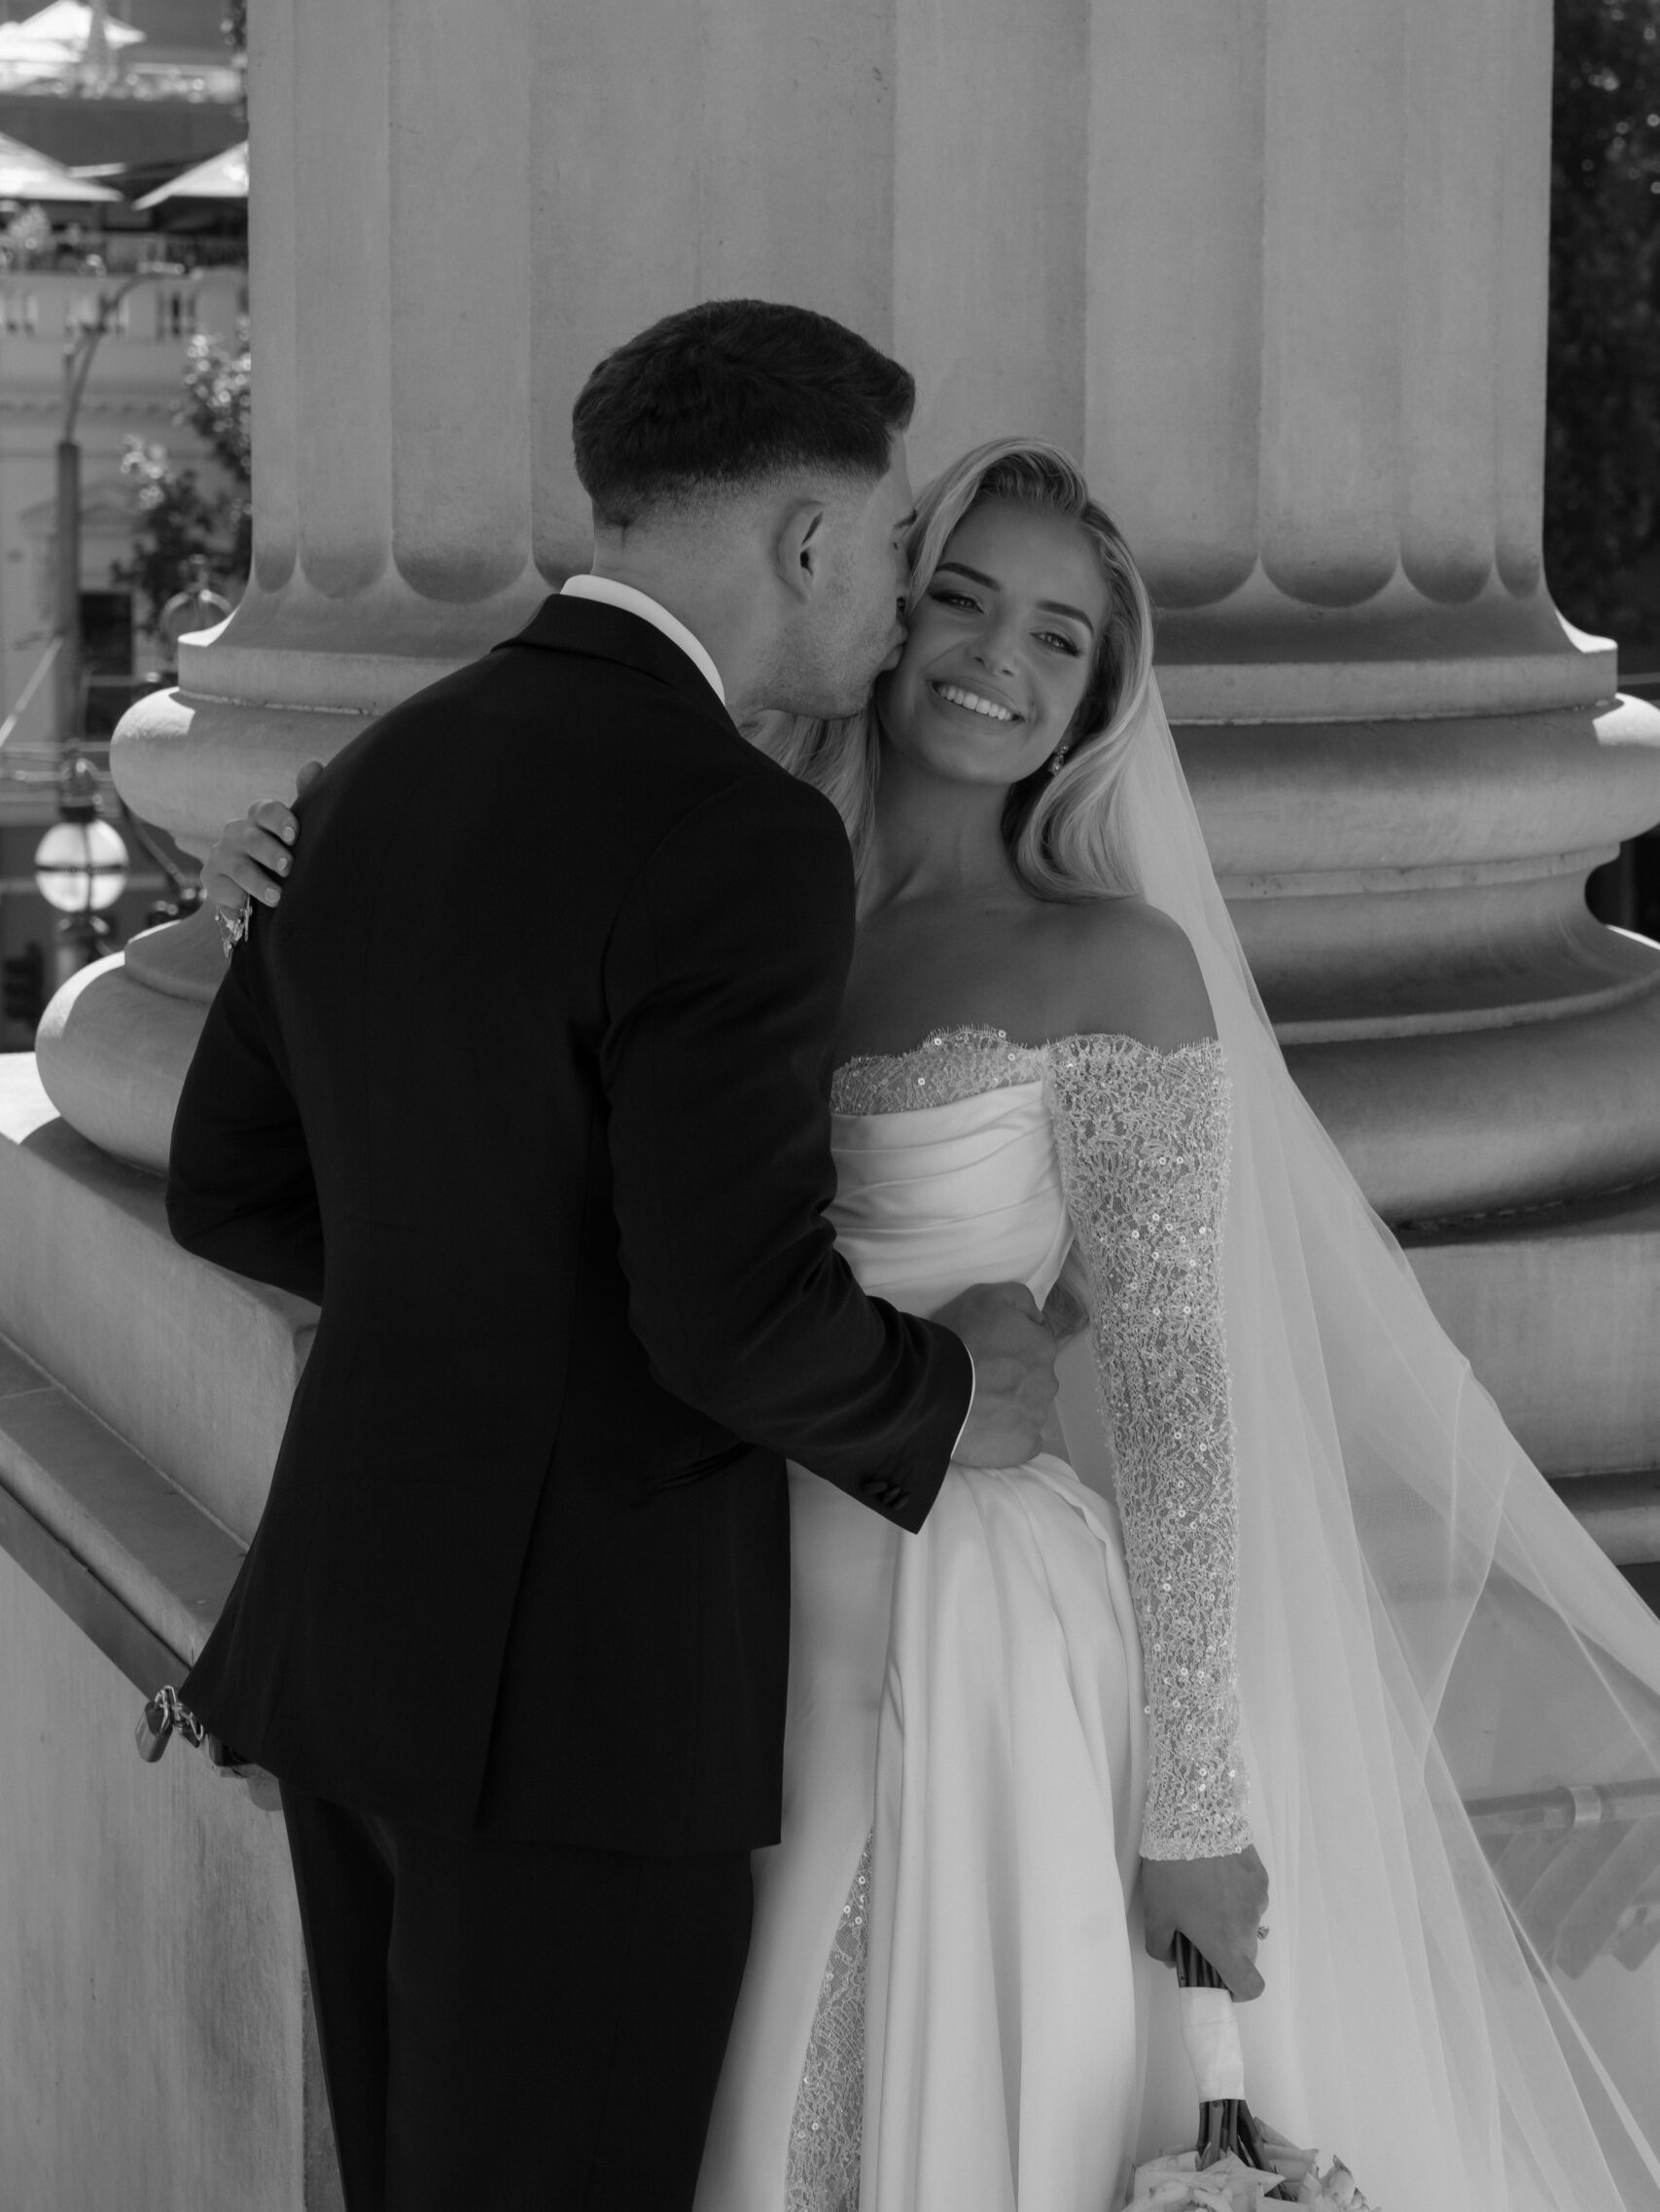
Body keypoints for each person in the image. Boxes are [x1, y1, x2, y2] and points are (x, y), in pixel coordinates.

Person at [210, 430, 1660, 2212]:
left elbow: (1183, 1388)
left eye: (1059, 638)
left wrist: (1197, 1802)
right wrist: (276, 891)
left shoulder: (1110, 964)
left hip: (955, 1628)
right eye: (962, 597)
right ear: (883, 612)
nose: (997, 657)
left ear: (1098, 700)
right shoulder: (705, 867)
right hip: (664, 1593)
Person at [162, 302, 1067, 2212]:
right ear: (808, 539)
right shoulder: (733, 832)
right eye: (898, 546)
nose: (900, 602)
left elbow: (231, 1181)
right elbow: (727, 1316)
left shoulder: (379, 767)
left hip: (359, 1648)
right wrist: (963, 1387)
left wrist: (489, 1261)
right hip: (587, 1705)